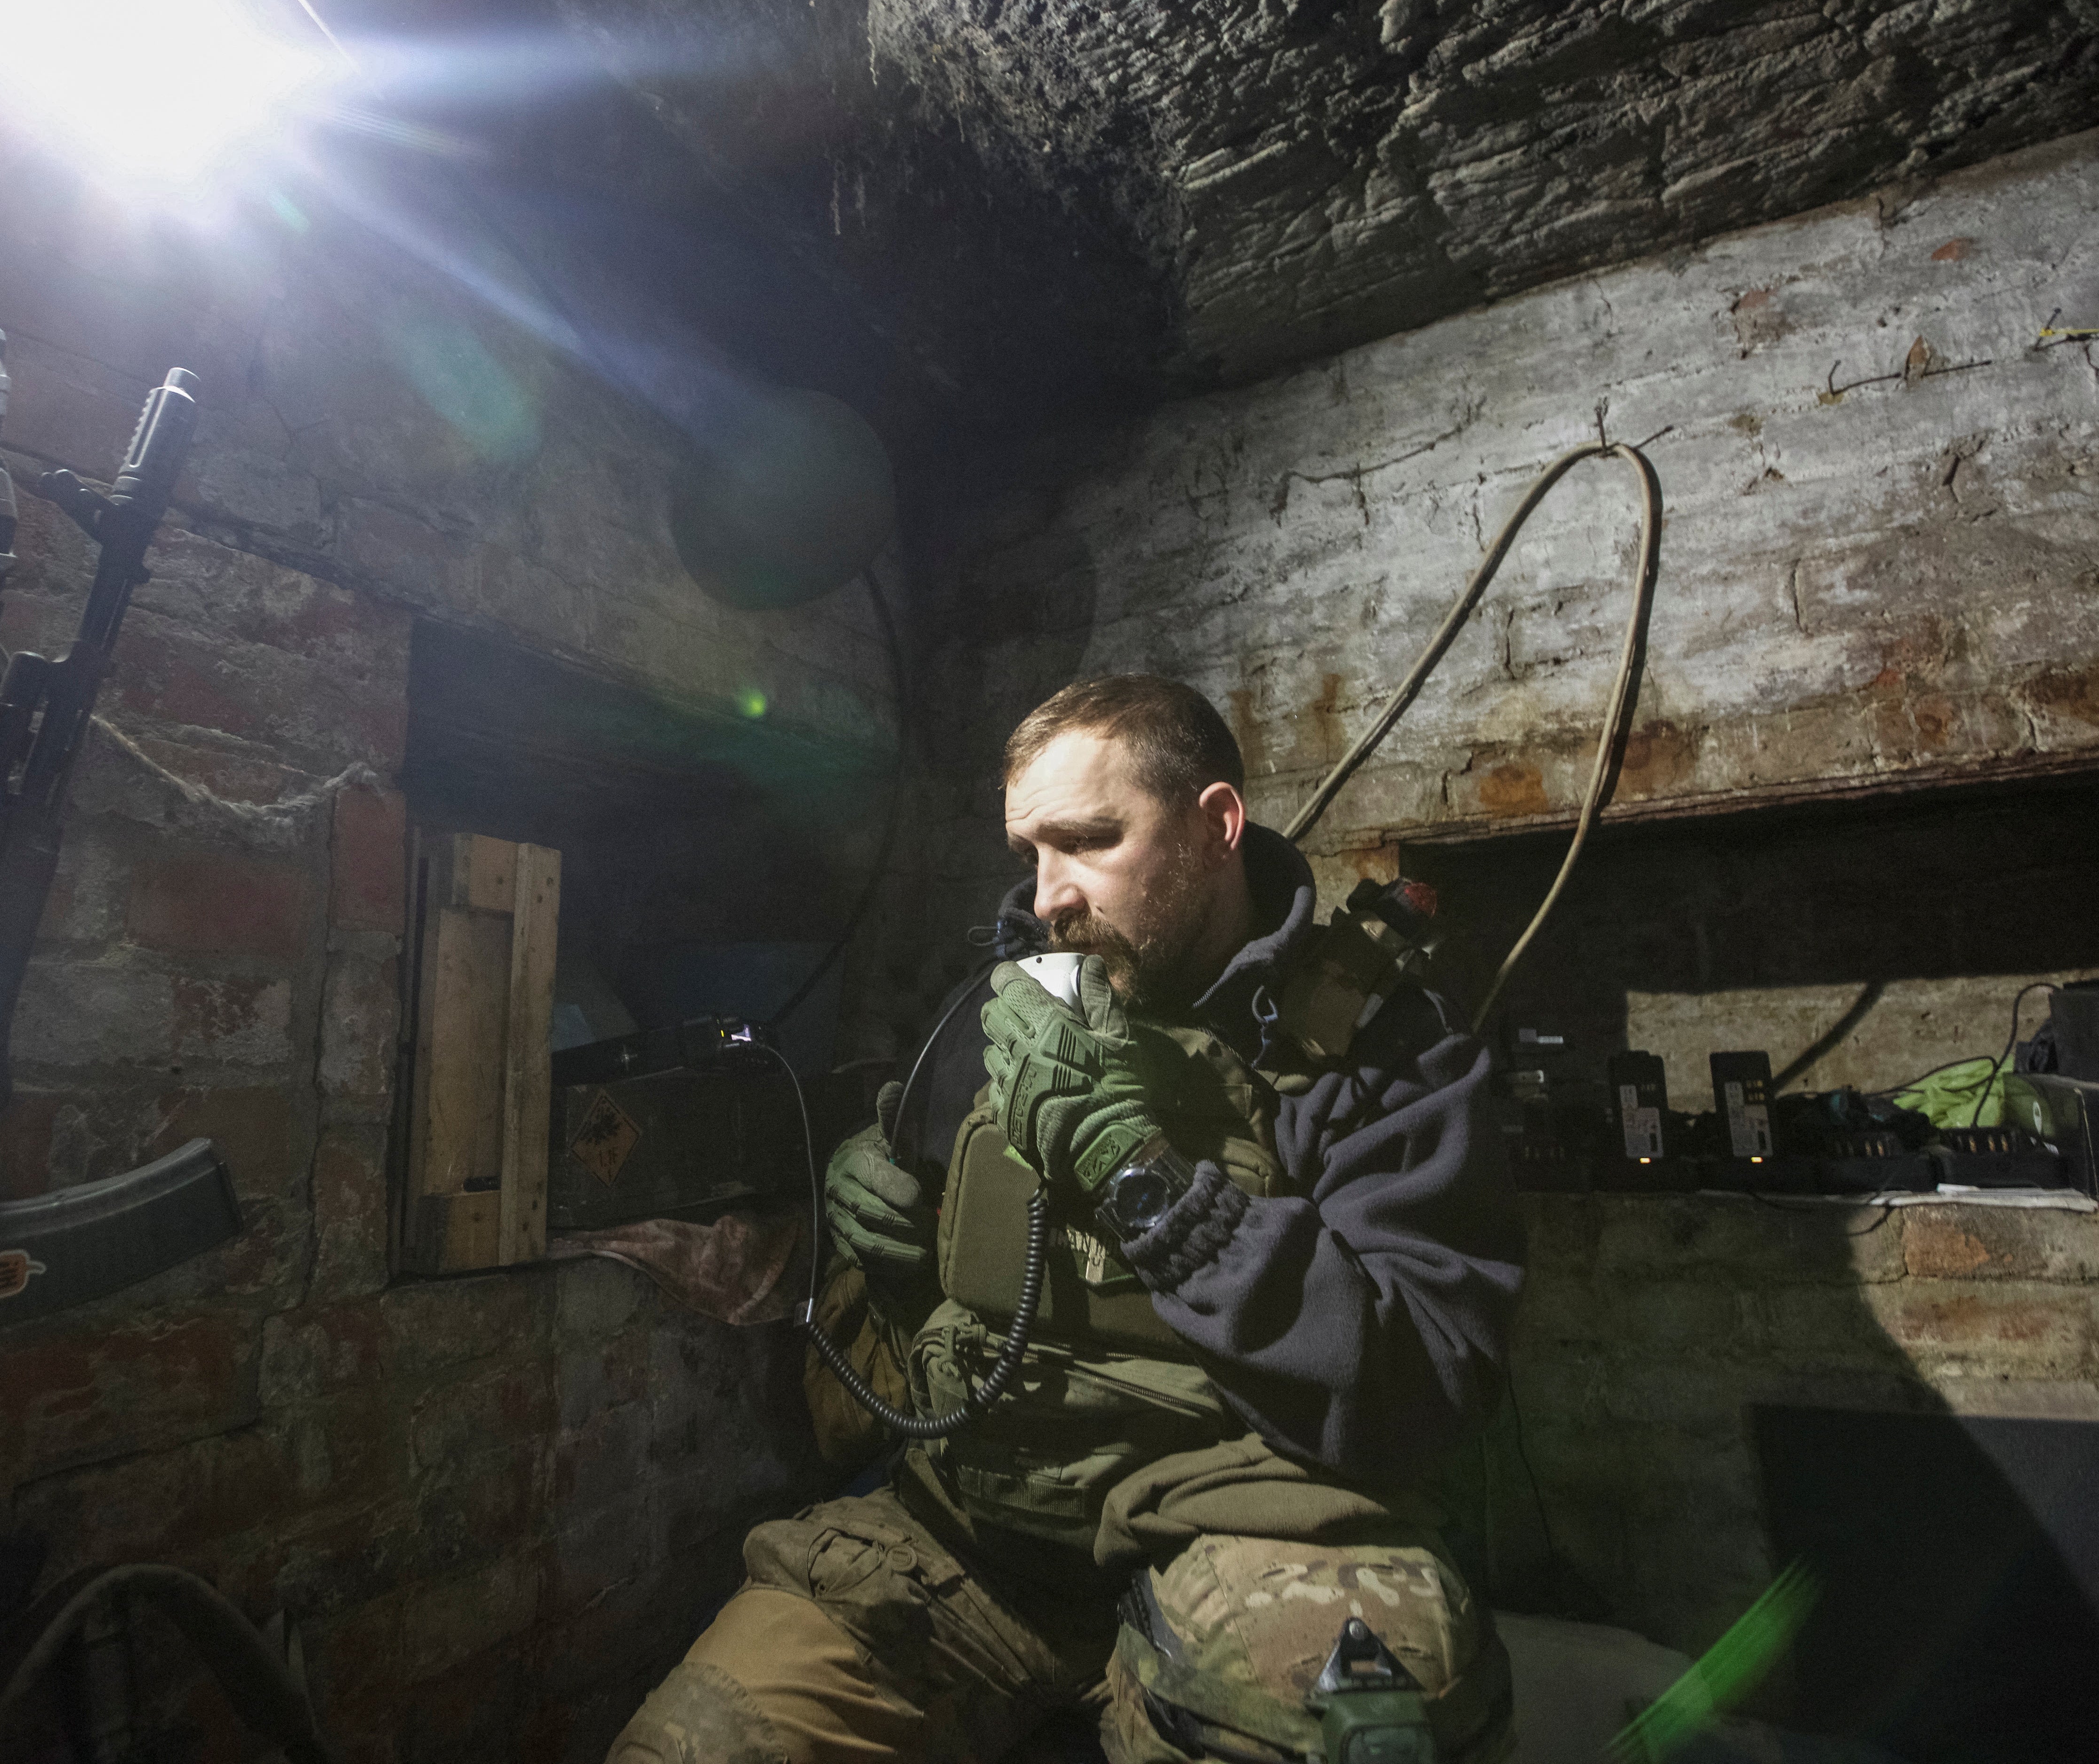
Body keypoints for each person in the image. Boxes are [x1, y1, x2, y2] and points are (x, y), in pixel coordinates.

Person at [610, 675, 1524, 1764]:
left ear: (1214, 826)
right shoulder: (1005, 1008)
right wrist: (875, 1214)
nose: (1047, 895)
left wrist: (1149, 1179)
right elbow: (924, 1294)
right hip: (976, 1536)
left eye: (1087, 841)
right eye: (1029, 851)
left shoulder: (1377, 1045)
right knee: (696, 1746)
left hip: (1246, 1528)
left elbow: (1429, 1378)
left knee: (1356, 1734)